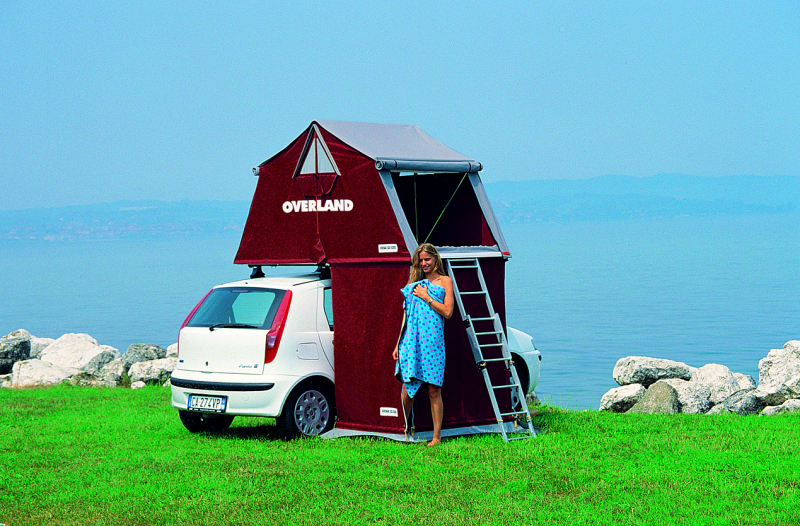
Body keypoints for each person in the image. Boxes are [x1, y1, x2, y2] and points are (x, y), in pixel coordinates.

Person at [392, 243, 454, 447]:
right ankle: (405, 430)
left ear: (435, 259)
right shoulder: (414, 284)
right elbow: (405, 316)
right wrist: (397, 345)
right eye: (421, 260)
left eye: (427, 259)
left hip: (433, 342)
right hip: (411, 341)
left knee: (434, 390)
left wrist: (427, 297)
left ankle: (437, 437)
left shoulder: (445, 281)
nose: (424, 263)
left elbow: (447, 312)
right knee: (407, 389)